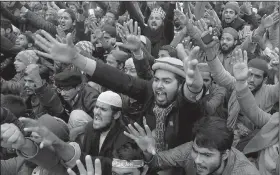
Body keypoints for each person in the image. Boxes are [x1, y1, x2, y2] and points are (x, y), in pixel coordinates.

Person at [34, 29, 204, 152]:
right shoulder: (150, 91)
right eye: (157, 79)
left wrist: (194, 87)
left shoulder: (184, 105)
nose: (159, 85)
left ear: (180, 85)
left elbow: (190, 100)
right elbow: (117, 79)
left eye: (167, 81)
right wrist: (77, 58)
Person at [124, 116, 260, 175]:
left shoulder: (245, 172)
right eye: (196, 151)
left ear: (225, 154)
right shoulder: (189, 150)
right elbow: (157, 162)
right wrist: (148, 151)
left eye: (207, 155)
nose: (197, 160)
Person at [232, 50, 279, 175]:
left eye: (257, 76)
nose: (251, 80)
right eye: (249, 74)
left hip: (254, 140)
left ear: (264, 80)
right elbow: (219, 74)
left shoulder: (270, 92)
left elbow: (254, 112)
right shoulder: (276, 121)